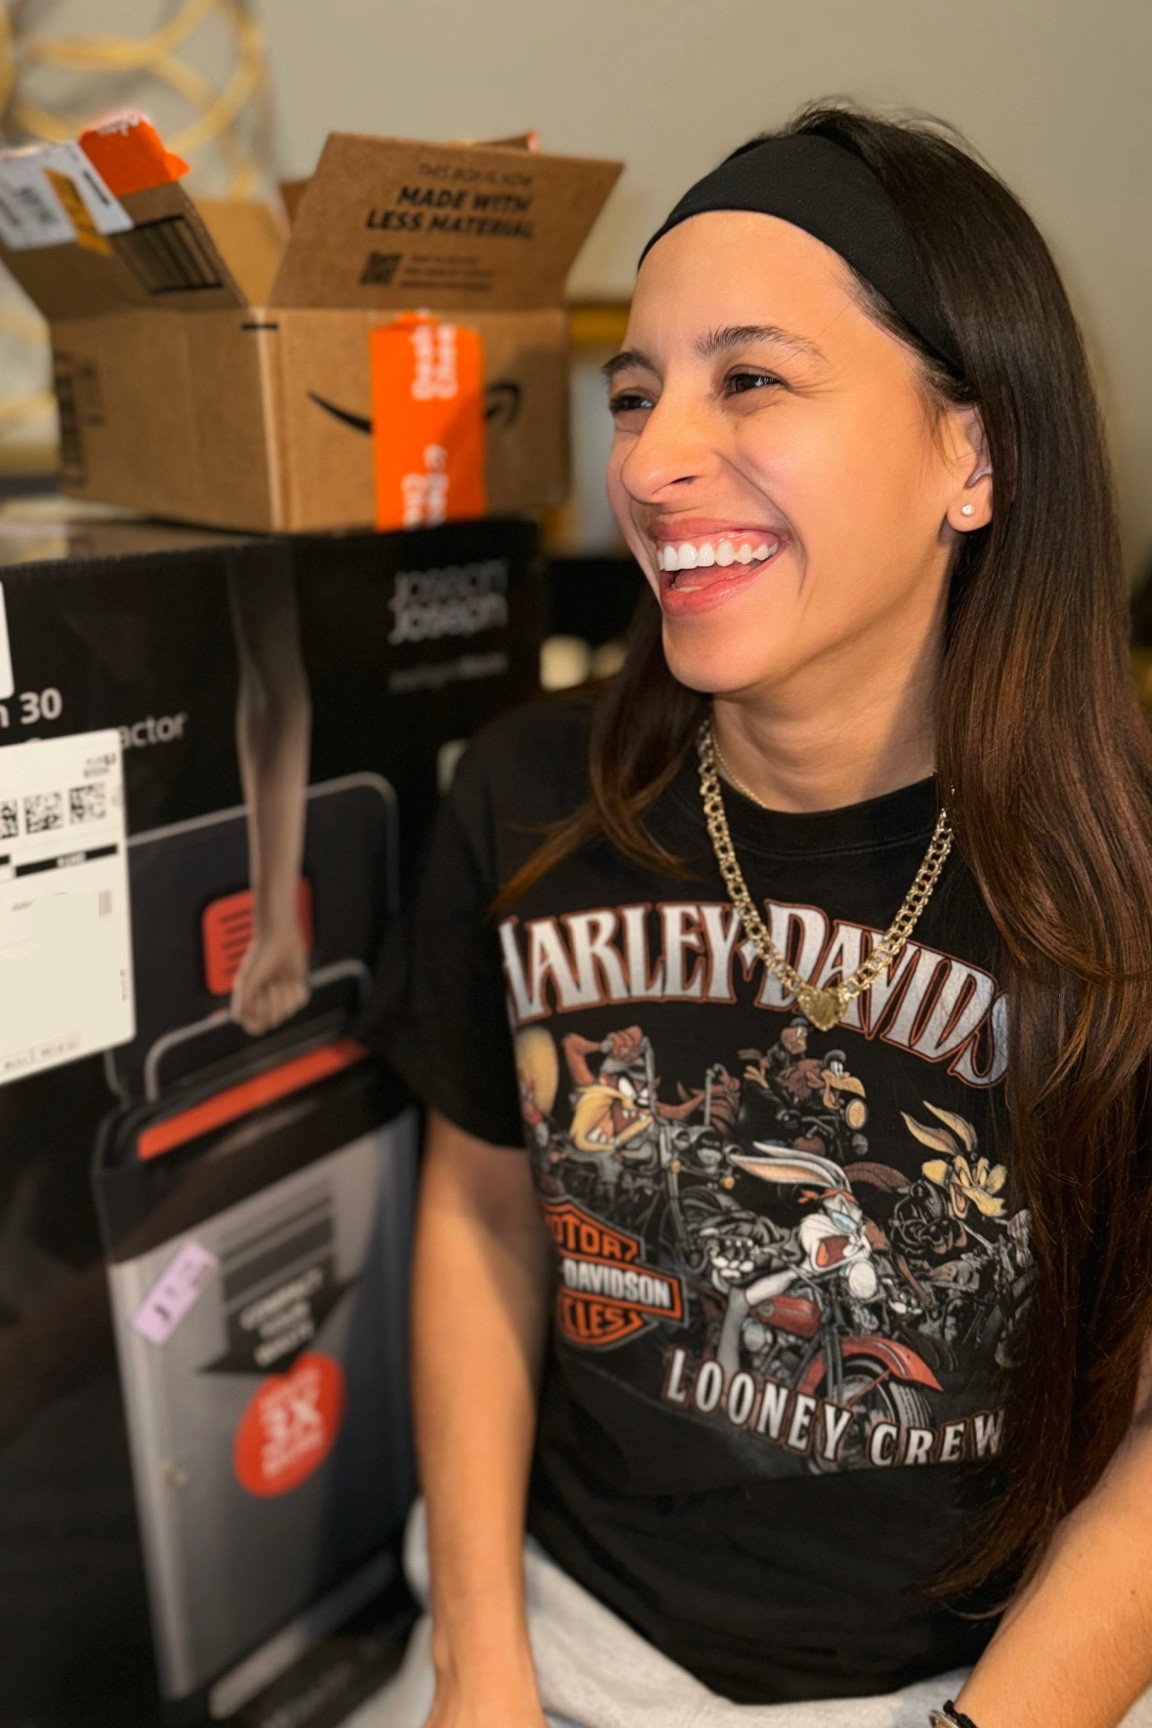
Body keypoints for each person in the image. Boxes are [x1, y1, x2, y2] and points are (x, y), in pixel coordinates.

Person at [374, 103, 1152, 1728]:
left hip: (1000, 1677)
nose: (651, 464)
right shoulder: (524, 799)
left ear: (976, 455)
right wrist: (477, 1668)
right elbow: (486, 1218)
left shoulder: (1127, 871)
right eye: (635, 393)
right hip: (561, 1636)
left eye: (749, 381)